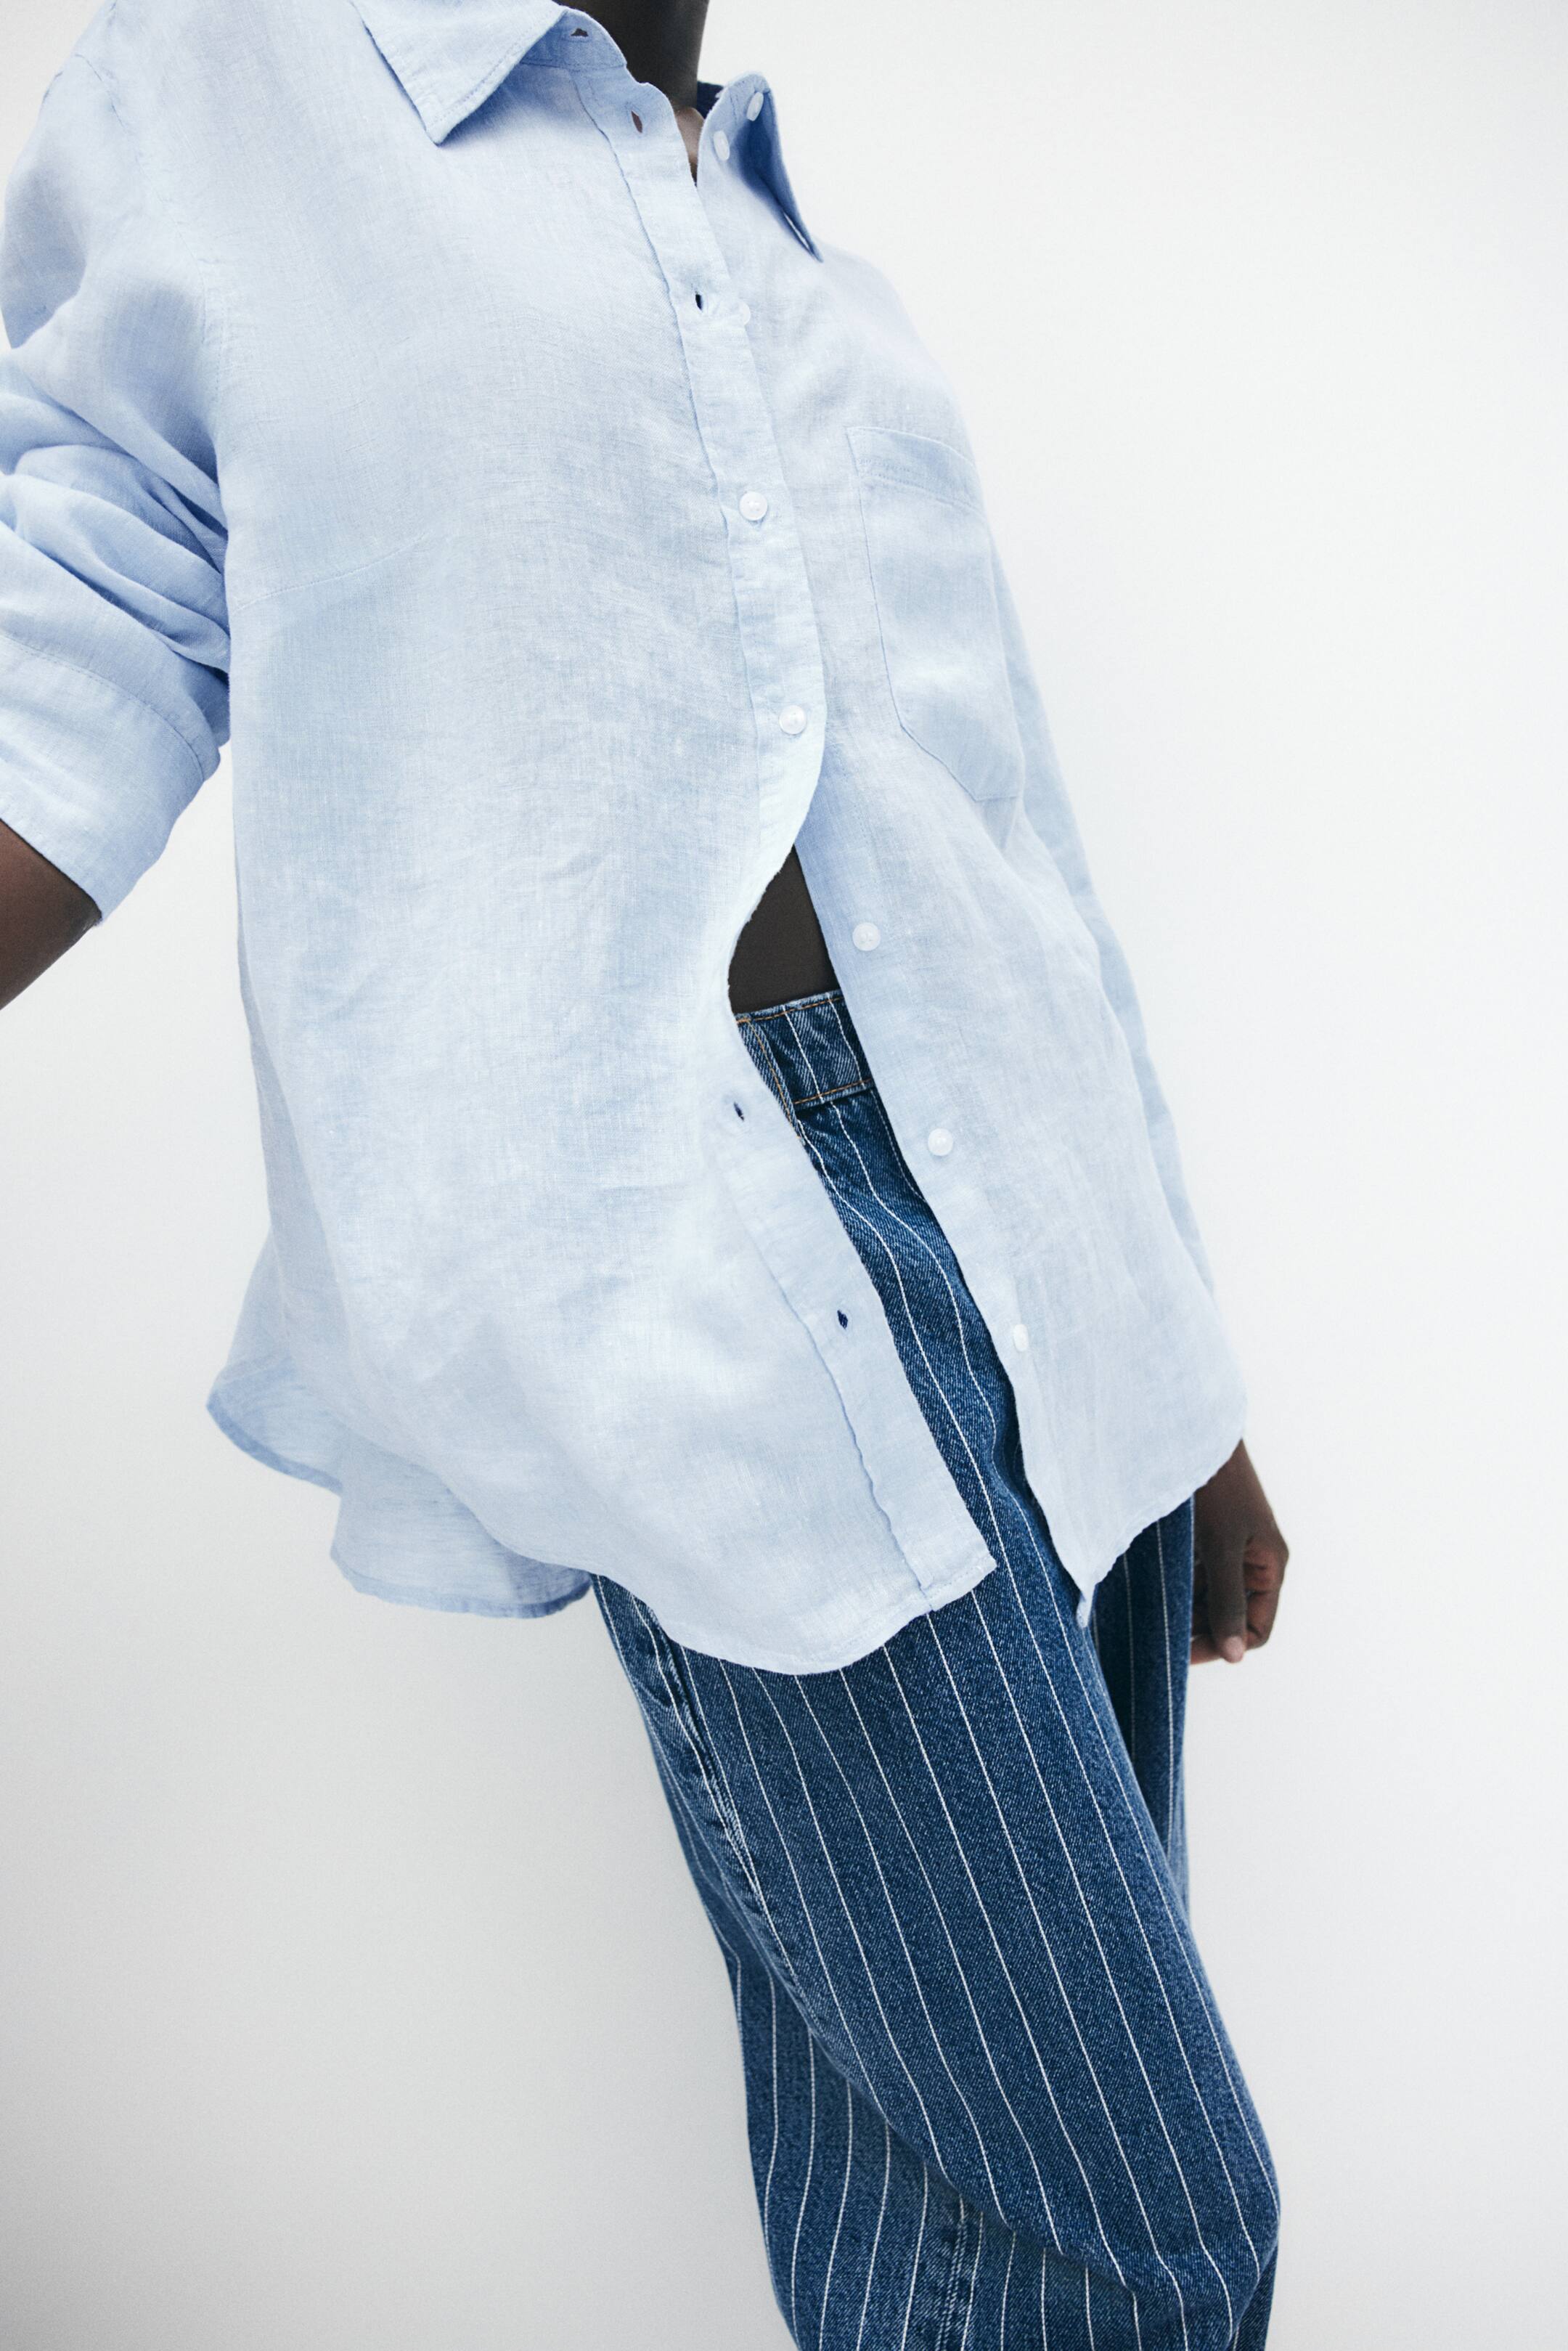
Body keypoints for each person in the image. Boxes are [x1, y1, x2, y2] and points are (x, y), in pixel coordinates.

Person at [0, 0, 1291, 2340]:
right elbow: (71, 616)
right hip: (715, 1283)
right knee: (1141, 2230)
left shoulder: (791, 253)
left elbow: (1019, 851)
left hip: (1056, 1276)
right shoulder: (237, 90)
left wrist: (1185, 1387)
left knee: (927, 2221)